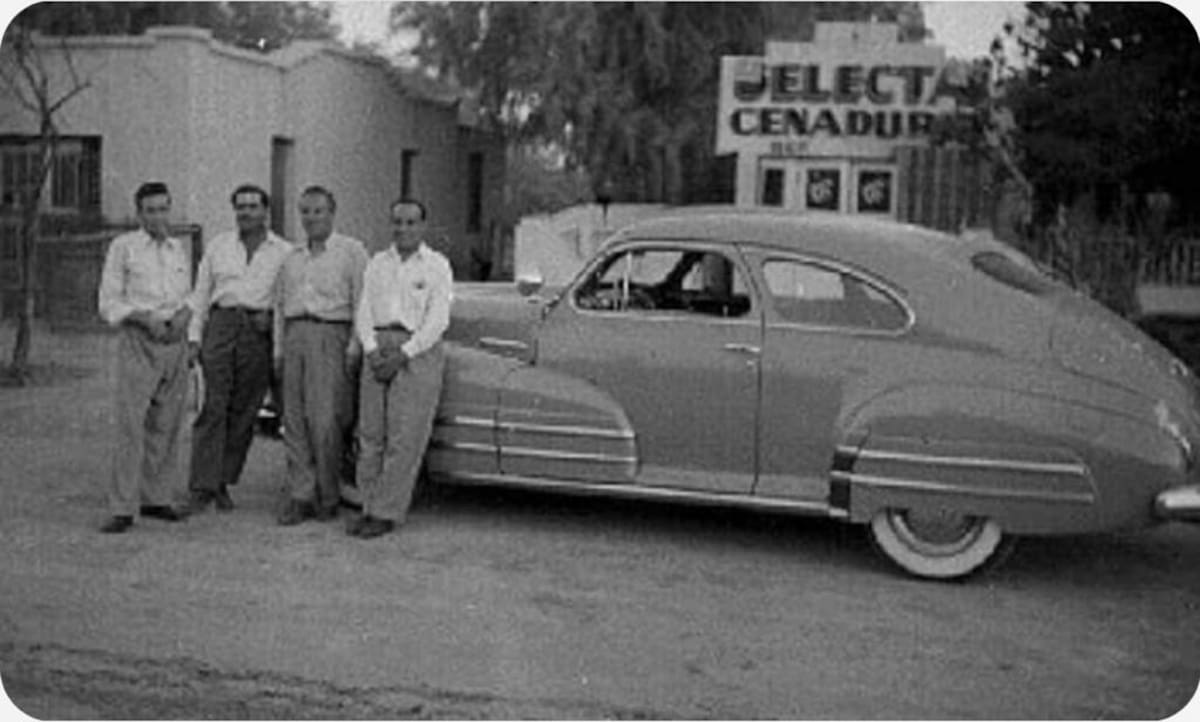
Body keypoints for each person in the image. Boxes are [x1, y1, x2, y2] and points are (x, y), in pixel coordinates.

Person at [186, 184, 292, 512]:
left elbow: (287, 300)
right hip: (222, 323)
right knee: (213, 405)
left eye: (253, 206)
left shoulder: (284, 252)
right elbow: (201, 293)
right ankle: (202, 485)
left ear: (265, 211)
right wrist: (194, 338)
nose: (246, 212)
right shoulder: (219, 246)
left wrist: (272, 327)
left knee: (245, 409)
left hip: (257, 332)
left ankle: (222, 480)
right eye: (241, 207)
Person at [350, 198, 452, 539]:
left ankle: (386, 512)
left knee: (404, 437)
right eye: (397, 222)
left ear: (423, 226)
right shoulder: (377, 263)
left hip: (417, 349)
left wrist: (404, 353)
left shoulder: (437, 266)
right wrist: (371, 348)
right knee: (370, 435)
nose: (403, 229)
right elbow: (364, 309)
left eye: (410, 222)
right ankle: (367, 506)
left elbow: (438, 320)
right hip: (378, 347)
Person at [96, 182, 192, 533]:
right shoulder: (124, 247)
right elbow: (109, 302)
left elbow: (187, 295)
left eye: (163, 209)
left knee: (166, 424)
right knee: (130, 426)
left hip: (174, 341)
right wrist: (143, 318)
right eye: (150, 210)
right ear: (139, 214)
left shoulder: (177, 249)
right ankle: (122, 507)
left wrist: (184, 316)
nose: (157, 217)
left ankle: (157, 498)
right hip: (139, 340)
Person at [273, 186, 369, 525]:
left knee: (326, 420)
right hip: (295, 334)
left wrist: (355, 345)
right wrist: (278, 349)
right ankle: (301, 495)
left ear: (332, 213)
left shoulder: (351, 252)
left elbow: (362, 301)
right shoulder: (292, 256)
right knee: (294, 419)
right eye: (306, 212)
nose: (311, 218)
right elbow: (279, 305)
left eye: (318, 211)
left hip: (331, 334)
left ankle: (328, 494)